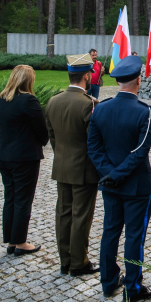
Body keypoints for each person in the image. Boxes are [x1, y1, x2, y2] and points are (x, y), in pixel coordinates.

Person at [88, 55, 151, 302]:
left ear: (119, 82)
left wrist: (109, 174)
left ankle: (108, 282)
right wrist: (116, 175)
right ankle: (132, 288)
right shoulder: (144, 112)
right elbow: (140, 151)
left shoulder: (101, 108)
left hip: (110, 184)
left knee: (110, 232)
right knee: (134, 236)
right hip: (136, 186)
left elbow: (94, 148)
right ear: (138, 81)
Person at [45, 54, 100, 277]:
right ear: (87, 76)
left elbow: (52, 137)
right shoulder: (88, 105)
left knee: (63, 213)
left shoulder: (53, 101)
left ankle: (64, 260)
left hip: (62, 165)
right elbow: (93, 142)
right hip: (84, 169)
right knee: (81, 216)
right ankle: (79, 262)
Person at [0, 65, 49, 256]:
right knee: (23, 200)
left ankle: (11, 240)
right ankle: (20, 242)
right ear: (29, 80)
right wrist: (43, 141)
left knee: (10, 197)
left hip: (3, 155)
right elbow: (42, 130)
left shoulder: (2, 98)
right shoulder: (29, 100)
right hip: (24, 157)